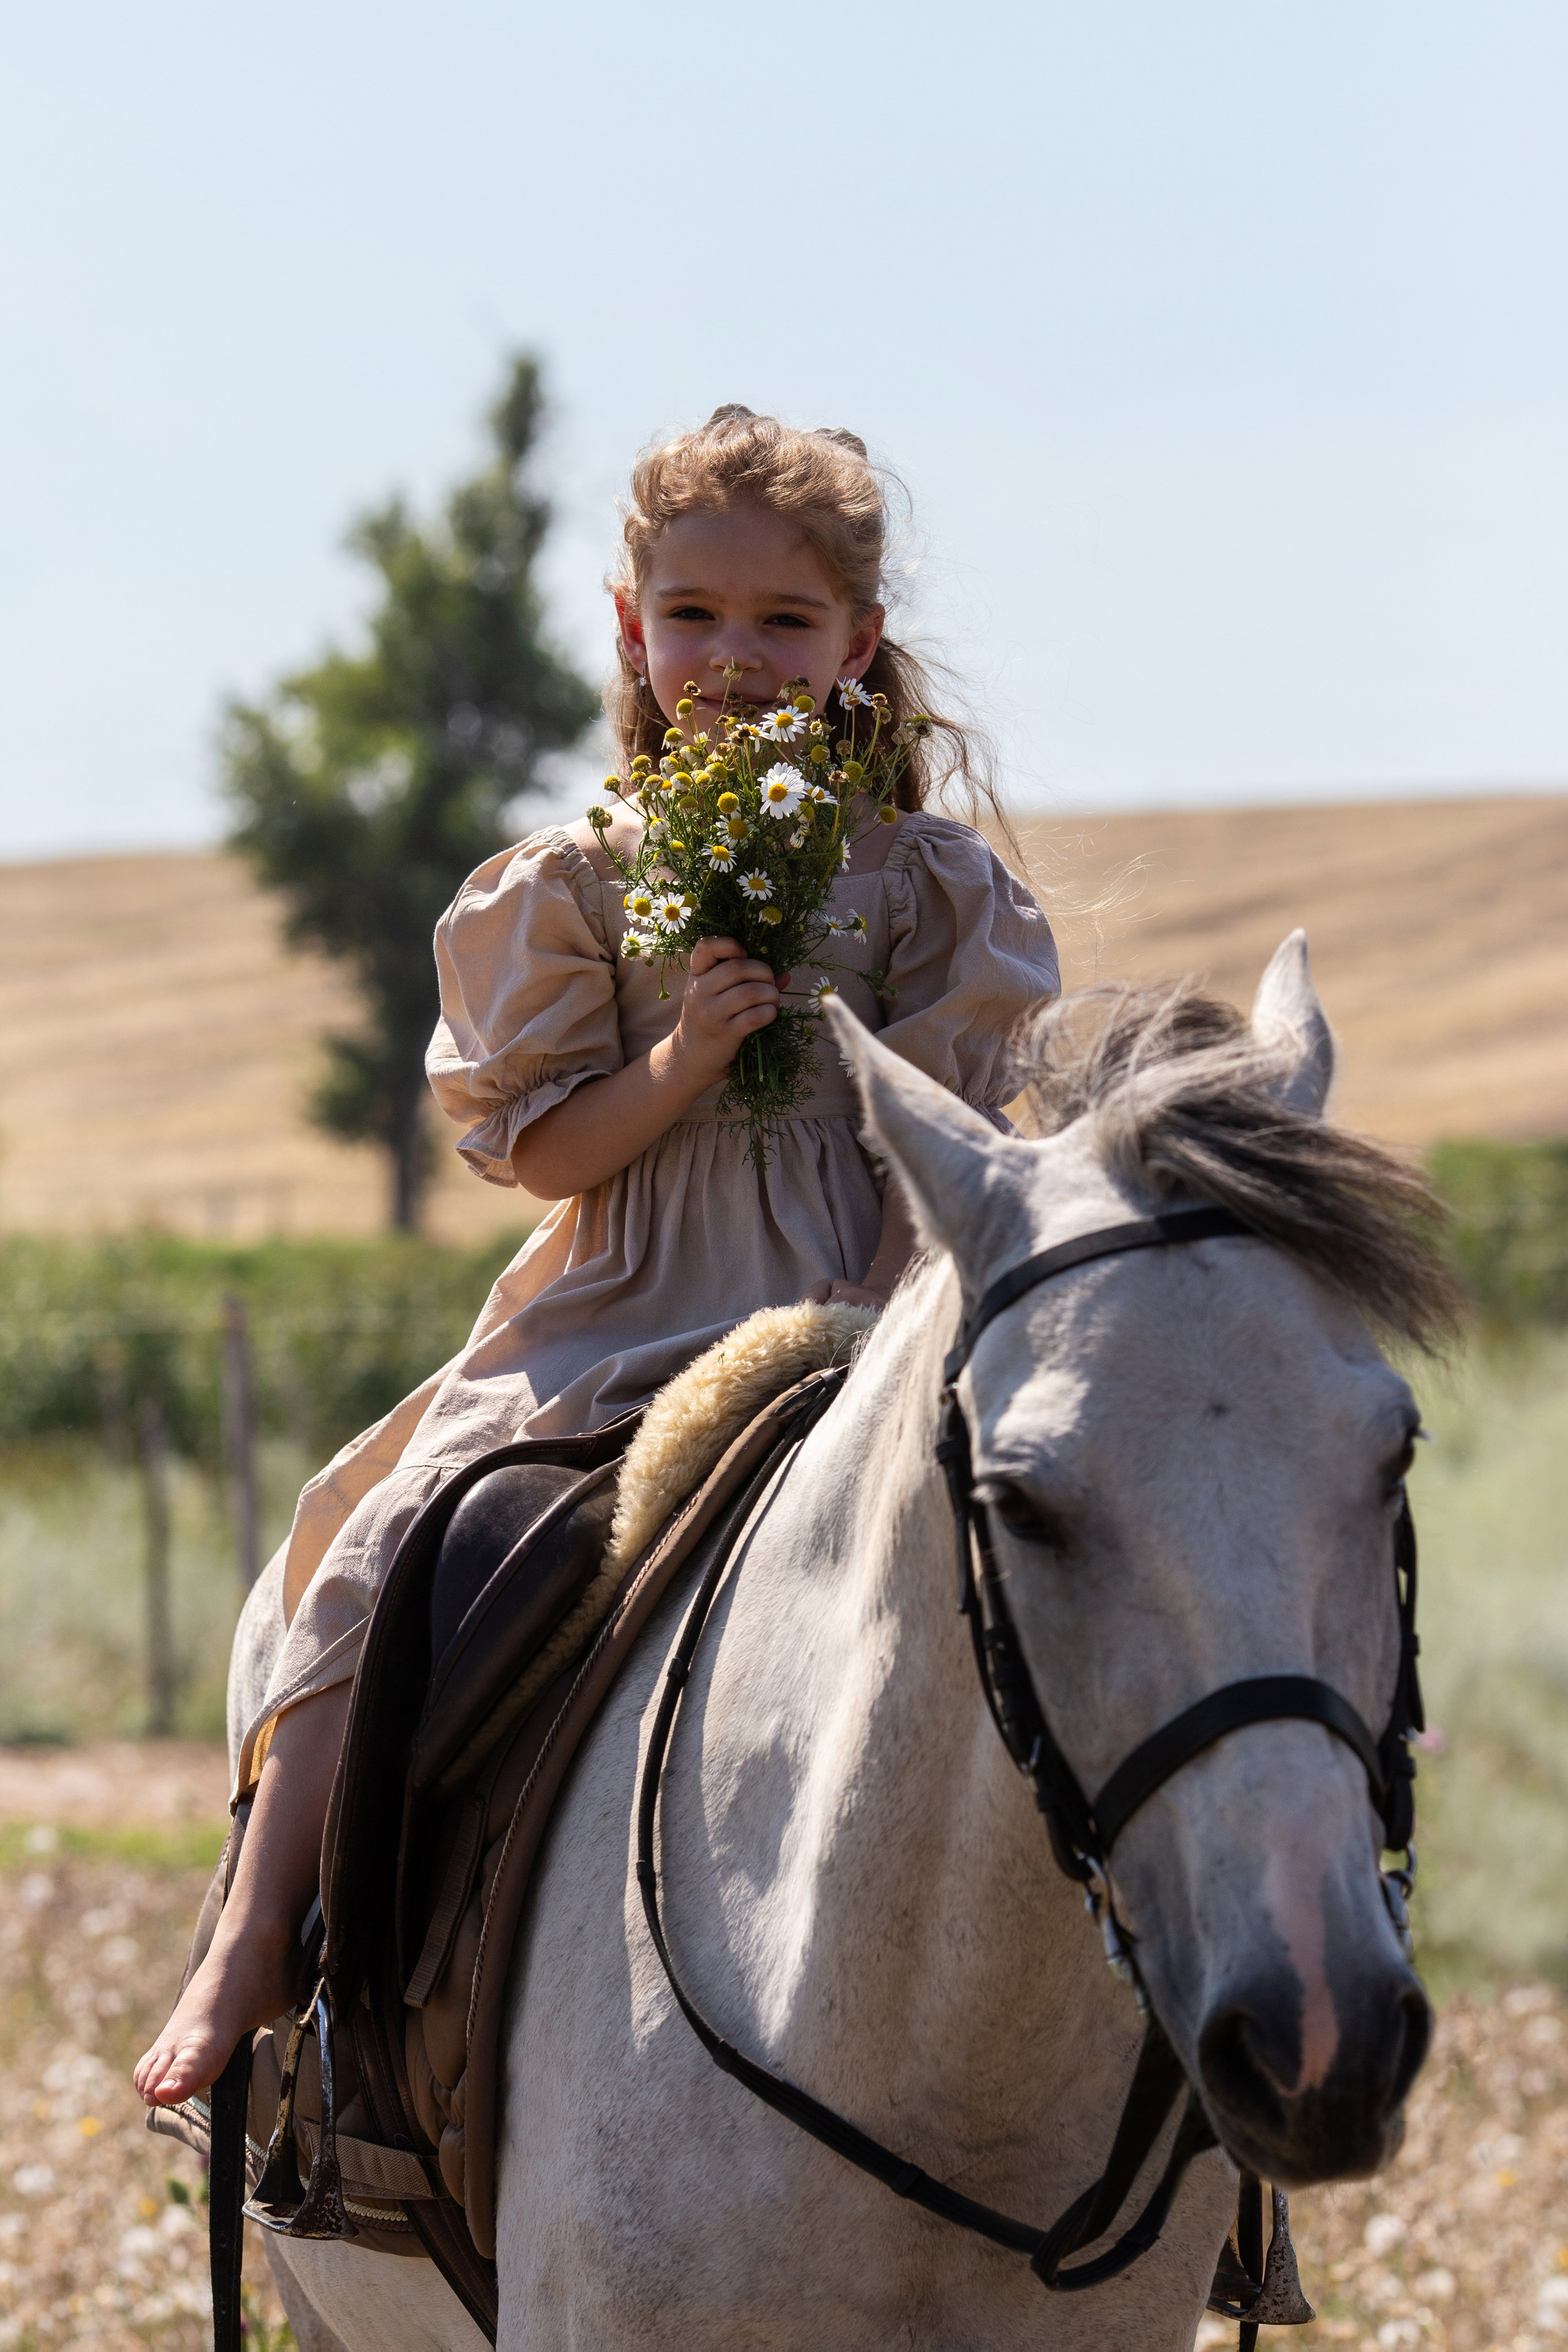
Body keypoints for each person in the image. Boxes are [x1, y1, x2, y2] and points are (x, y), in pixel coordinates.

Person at [135, 405, 1060, 2110]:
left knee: (1111, 1559)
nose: (737, 657)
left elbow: (959, 1135)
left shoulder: (928, 887)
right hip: (626, 1298)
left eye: (786, 622)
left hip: (865, 1297)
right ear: (632, 630)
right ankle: (264, 1934)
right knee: (384, 1540)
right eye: (694, 616)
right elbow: (538, 1150)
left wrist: (875, 1314)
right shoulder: (572, 882)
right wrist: (685, 1056)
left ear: (859, 645)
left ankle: (1153, 2074)